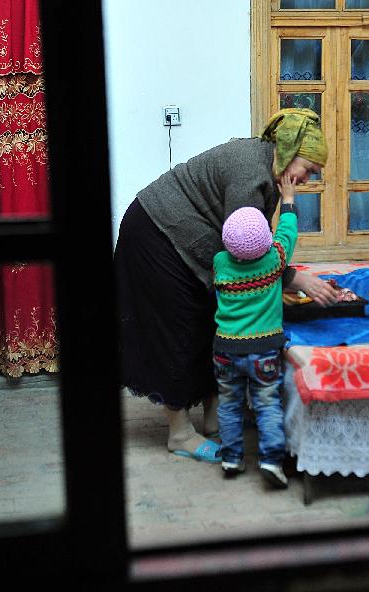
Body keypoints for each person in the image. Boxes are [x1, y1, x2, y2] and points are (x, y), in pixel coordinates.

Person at [115, 108, 339, 462]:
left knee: (210, 319)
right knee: (179, 331)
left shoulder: (270, 170)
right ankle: (179, 433)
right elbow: (246, 260)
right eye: (309, 170)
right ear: (289, 150)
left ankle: (215, 418)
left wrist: (288, 276)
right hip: (156, 234)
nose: (308, 180)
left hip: (180, 237)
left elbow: (254, 244)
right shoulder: (250, 172)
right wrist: (295, 279)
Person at [211, 171, 299, 488]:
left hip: (224, 351)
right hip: (263, 351)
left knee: (230, 406)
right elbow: (287, 233)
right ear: (265, 241)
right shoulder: (274, 261)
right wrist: (287, 200)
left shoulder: (220, 263)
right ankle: (272, 461)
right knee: (267, 405)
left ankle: (232, 457)